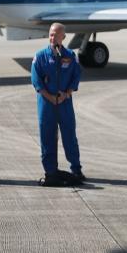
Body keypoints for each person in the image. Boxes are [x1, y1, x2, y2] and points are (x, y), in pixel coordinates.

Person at [31, 22, 85, 185]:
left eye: (56, 35)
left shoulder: (70, 56)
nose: (53, 38)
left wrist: (66, 94)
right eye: (51, 34)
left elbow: (76, 76)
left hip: (64, 103)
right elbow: (36, 80)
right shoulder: (40, 56)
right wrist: (49, 96)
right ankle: (50, 170)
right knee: (47, 136)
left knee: (69, 136)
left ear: (63, 37)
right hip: (46, 104)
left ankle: (76, 169)